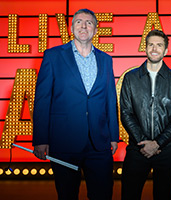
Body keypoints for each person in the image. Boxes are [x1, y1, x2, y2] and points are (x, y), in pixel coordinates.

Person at [32, 8, 119, 200]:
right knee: (67, 194)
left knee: (103, 194)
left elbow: (110, 99)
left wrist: (114, 135)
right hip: (64, 140)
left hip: (99, 143)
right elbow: (42, 99)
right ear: (71, 28)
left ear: (95, 30)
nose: (83, 26)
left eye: (89, 22)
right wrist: (40, 139)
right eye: (79, 22)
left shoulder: (106, 59)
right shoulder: (53, 56)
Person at [120, 29, 171, 200]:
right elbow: (126, 113)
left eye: (159, 45)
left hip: (166, 151)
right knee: (129, 195)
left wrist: (158, 143)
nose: (154, 49)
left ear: (166, 50)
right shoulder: (130, 78)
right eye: (151, 45)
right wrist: (144, 143)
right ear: (145, 47)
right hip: (137, 148)